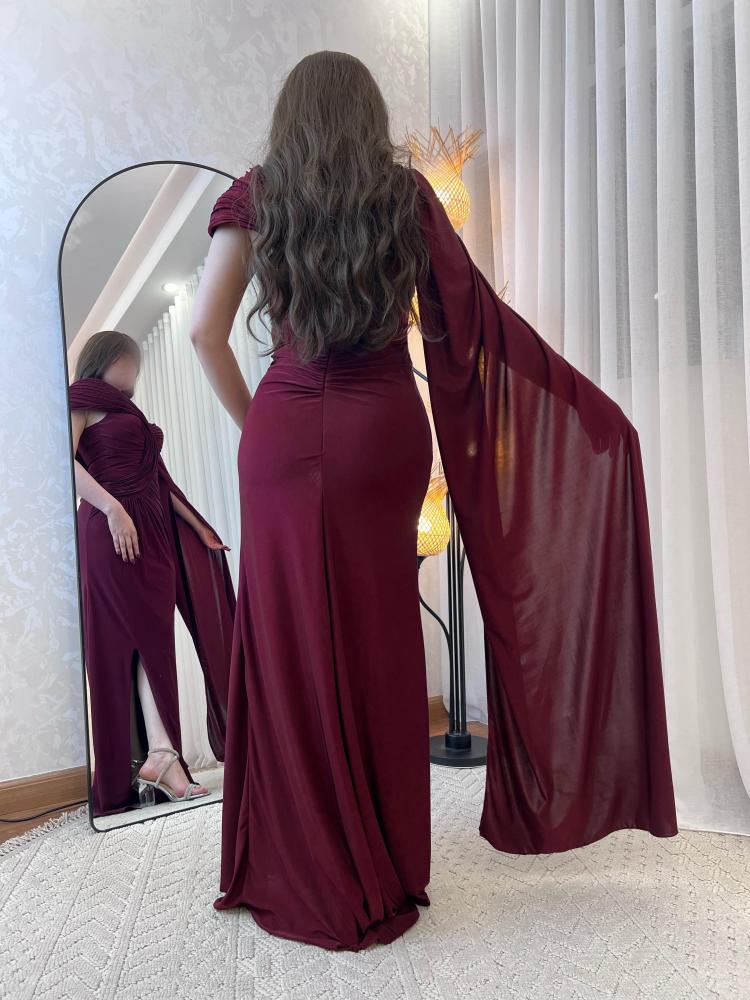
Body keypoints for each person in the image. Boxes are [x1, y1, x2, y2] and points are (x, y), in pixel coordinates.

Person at [190, 50, 678, 951]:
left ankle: (301, 857)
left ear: (289, 117)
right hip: (383, 430)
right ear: (367, 116)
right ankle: (385, 860)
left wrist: (260, 420)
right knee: (380, 631)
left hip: (285, 429)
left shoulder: (257, 195)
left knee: (289, 631)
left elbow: (201, 332)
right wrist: (594, 417)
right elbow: (477, 322)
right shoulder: (402, 195)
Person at [69, 331, 236, 816]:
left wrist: (199, 528)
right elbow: (63, 461)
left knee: (154, 643)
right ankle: (153, 760)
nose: (136, 373)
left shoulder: (129, 413)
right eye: (132, 362)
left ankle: (162, 754)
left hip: (154, 536)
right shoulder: (81, 399)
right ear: (109, 358)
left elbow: (160, 479)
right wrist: (112, 509)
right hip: (112, 532)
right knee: (124, 646)